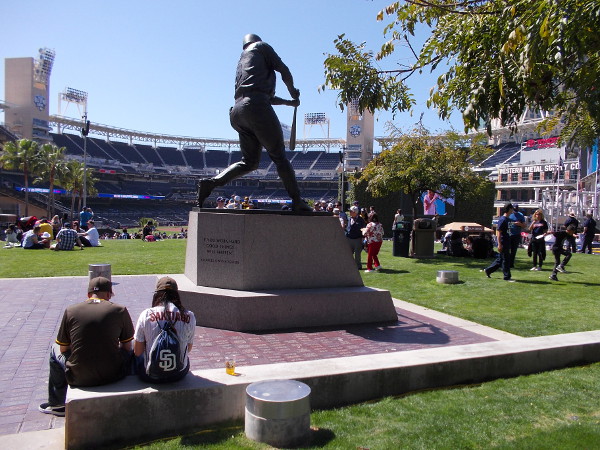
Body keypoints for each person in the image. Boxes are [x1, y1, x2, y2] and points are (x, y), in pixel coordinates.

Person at [196, 34, 310, 212]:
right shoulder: (261, 47)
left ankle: (211, 183)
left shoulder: (243, 61)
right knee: (279, 156)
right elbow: (284, 71)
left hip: (238, 112)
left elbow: (266, 96)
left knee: (249, 162)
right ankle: (297, 200)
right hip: (255, 106)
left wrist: (289, 103)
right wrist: (293, 91)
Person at [39, 277, 134, 416]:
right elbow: (127, 347)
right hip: (113, 374)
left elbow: (63, 349)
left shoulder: (71, 311)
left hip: (79, 376)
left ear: (88, 294)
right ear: (108, 294)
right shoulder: (120, 310)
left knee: (55, 349)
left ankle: (58, 403)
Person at [133, 277, 196, 383]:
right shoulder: (189, 316)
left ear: (157, 294)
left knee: (134, 356)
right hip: (178, 374)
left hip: (150, 375)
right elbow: (188, 349)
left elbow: (137, 352)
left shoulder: (146, 314)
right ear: (176, 294)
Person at [482, 203, 514, 281]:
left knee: (501, 259)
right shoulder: (502, 220)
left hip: (507, 241)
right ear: (509, 209)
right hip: (503, 242)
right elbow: (499, 232)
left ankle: (488, 270)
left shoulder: (509, 219)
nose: (513, 210)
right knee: (506, 259)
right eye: (512, 208)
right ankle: (507, 276)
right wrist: (499, 244)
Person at [346, 205, 366, 270]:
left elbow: (363, 229)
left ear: (355, 212)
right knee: (348, 253)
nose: (349, 212)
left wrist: (363, 238)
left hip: (357, 239)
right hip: (349, 238)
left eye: (351, 211)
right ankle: (349, 266)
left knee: (357, 254)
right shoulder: (349, 218)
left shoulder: (361, 220)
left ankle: (358, 267)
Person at [507, 204, 526, 268]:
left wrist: (519, 224)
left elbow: (524, 226)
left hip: (516, 235)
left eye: (516, 209)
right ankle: (506, 263)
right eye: (514, 209)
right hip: (509, 234)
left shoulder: (520, 215)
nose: (515, 210)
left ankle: (511, 264)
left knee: (513, 250)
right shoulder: (509, 214)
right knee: (507, 250)